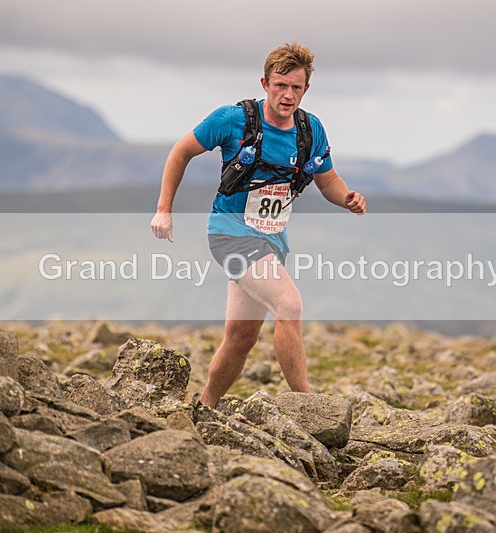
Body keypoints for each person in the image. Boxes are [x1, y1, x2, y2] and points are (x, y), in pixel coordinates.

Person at [151, 41, 366, 408]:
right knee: (289, 304)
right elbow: (180, 152)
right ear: (264, 83)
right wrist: (163, 209)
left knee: (241, 337)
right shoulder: (232, 120)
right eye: (280, 85)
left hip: (271, 241)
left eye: (296, 87)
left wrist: (347, 198)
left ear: (306, 89)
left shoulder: (310, 131)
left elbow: (328, 181)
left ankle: (204, 408)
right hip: (229, 235)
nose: (287, 94)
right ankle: (309, 406)